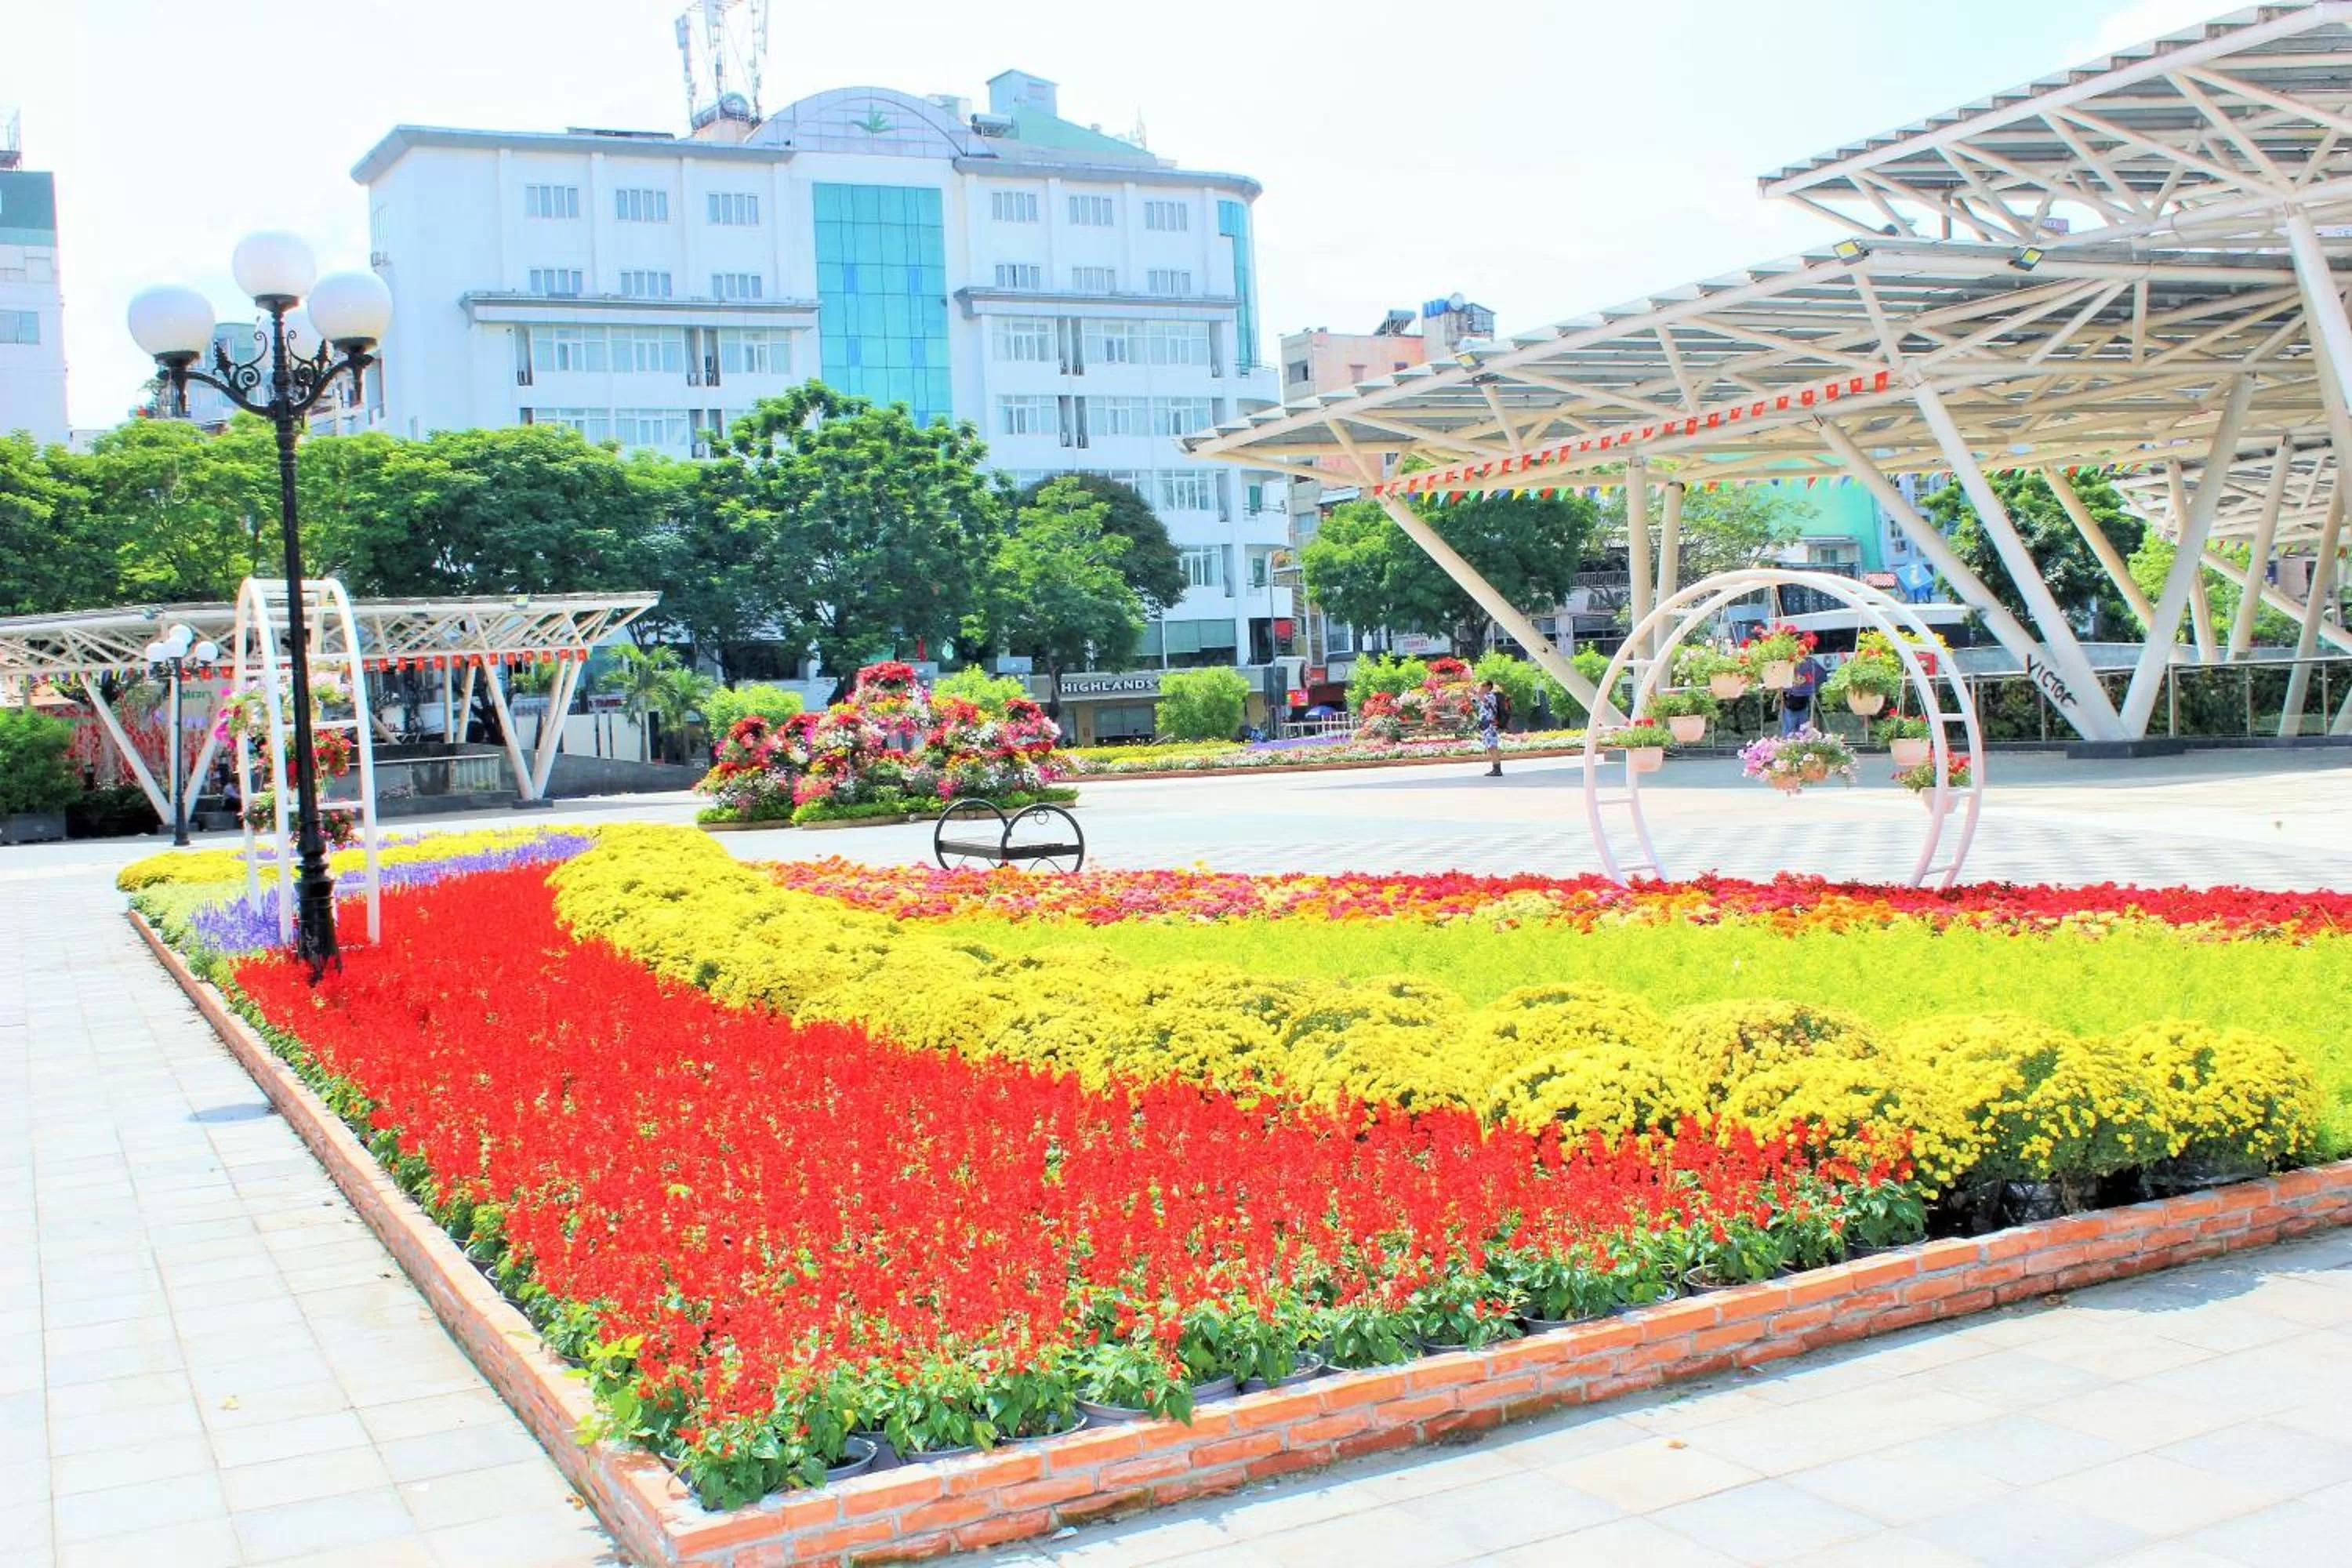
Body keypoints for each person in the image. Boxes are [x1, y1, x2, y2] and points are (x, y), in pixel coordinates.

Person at [1780, 652, 1826, 736]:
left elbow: (1820, 675)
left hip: (1801, 704)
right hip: (1792, 704)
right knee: (1794, 732)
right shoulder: (1791, 663)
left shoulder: (1809, 662)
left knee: (1800, 732)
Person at [1475, 679, 1511, 776]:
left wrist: (1477, 691)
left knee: (1493, 747)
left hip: (1490, 725)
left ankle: (1497, 769)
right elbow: (1476, 703)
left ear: (1487, 687)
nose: (1480, 688)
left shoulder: (1491, 696)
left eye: (1482, 686)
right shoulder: (1485, 697)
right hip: (1486, 726)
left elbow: (1481, 698)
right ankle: (1495, 767)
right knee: (1490, 748)